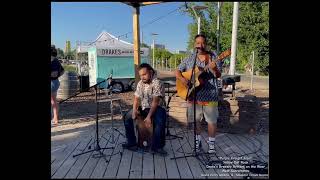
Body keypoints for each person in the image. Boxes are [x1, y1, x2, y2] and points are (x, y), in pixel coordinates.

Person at [175, 34, 221, 154]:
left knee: (211, 121)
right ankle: (197, 142)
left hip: (210, 95)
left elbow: (218, 75)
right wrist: (182, 79)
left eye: (202, 43)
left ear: (206, 44)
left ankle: (211, 146)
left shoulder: (213, 56)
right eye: (197, 43)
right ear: (194, 44)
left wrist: (214, 68)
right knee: (196, 121)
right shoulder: (190, 58)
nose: (200, 45)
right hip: (192, 95)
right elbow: (177, 70)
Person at [122, 63, 167, 155]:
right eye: (140, 75)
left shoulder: (157, 82)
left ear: (150, 72)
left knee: (160, 119)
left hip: (157, 107)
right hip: (144, 107)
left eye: (144, 74)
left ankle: (158, 147)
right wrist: (134, 110)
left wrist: (149, 116)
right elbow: (136, 98)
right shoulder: (140, 83)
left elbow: (155, 101)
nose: (142, 77)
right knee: (127, 117)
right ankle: (131, 143)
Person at [51, 45, 64, 125]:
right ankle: (55, 118)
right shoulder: (56, 61)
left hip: (52, 83)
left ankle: (55, 118)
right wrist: (57, 75)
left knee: (53, 101)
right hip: (55, 82)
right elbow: (63, 71)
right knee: (54, 101)